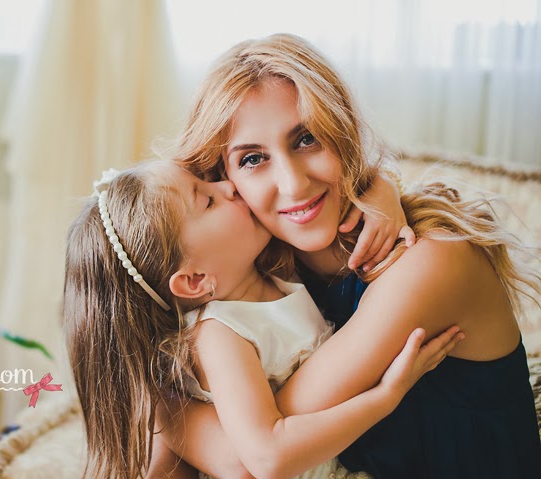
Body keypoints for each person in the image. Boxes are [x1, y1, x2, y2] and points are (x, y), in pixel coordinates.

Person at [153, 33, 541, 478]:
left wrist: (154, 405)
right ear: (225, 182)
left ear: (342, 132)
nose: (294, 184)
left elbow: (253, 457)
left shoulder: (430, 261)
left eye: (306, 139)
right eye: (253, 159)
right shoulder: (265, 273)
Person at [62, 161, 463, 479]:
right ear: (195, 280)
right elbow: (268, 458)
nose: (228, 186)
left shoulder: (273, 271)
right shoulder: (218, 335)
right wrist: (385, 397)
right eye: (208, 200)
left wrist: (383, 190)